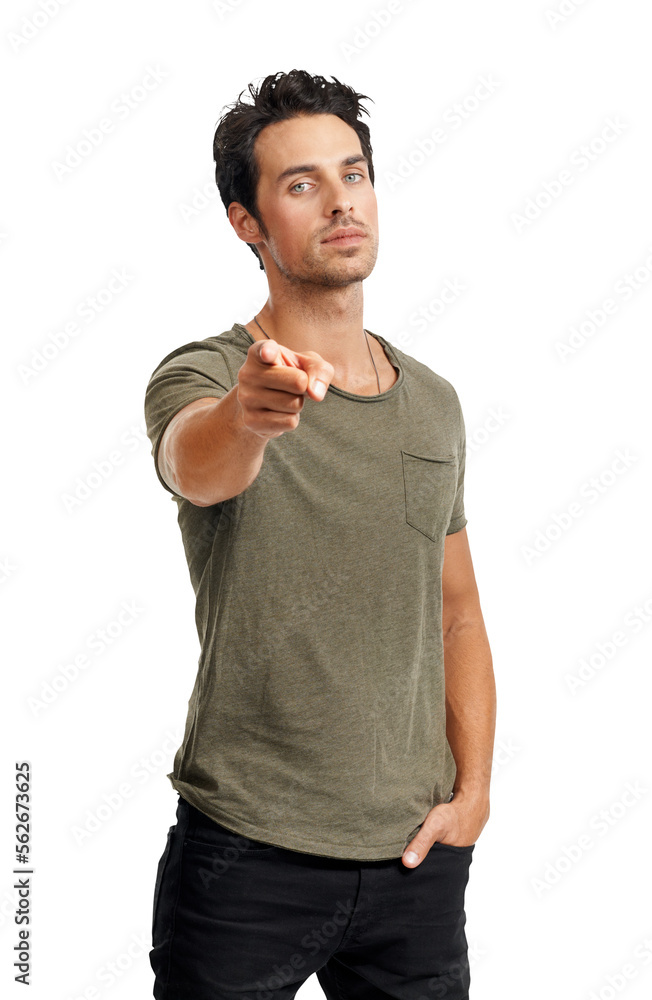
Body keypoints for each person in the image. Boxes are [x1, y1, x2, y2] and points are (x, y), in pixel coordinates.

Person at [144, 68, 496, 1000]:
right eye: (301, 184)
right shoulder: (212, 373)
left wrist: (474, 797)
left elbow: (457, 612)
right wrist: (252, 418)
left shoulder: (436, 406)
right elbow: (194, 459)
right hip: (244, 862)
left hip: (416, 865)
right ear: (247, 223)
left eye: (355, 173)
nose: (341, 202)